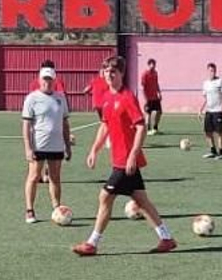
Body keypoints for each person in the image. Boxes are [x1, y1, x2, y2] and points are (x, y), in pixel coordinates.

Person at [73, 56, 177, 256]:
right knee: (141, 200)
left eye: (113, 71)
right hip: (119, 159)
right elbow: (105, 125)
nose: (109, 75)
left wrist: (133, 155)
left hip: (125, 161)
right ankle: (166, 238)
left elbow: (141, 127)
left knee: (105, 196)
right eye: (106, 71)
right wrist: (94, 149)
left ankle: (92, 243)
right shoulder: (106, 97)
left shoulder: (127, 97)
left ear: (121, 73)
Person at [22, 66, 73, 224]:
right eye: (45, 79)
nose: (47, 82)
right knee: (34, 176)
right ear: (39, 80)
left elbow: (65, 123)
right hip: (39, 145)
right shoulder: (32, 98)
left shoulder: (60, 98)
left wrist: (67, 146)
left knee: (55, 177)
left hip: (56, 146)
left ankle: (56, 208)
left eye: (50, 79)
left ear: (54, 81)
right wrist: (28, 147)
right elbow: (26, 125)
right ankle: (30, 210)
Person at [200, 62, 222, 159]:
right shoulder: (205, 83)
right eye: (210, 71)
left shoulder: (221, 82)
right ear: (207, 71)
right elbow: (206, 98)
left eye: (213, 71)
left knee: (219, 132)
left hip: (218, 111)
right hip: (209, 111)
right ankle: (213, 151)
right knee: (207, 132)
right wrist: (201, 109)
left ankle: (221, 153)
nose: (211, 73)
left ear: (215, 71)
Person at [141, 58, 163, 135]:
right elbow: (143, 87)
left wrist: (159, 93)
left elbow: (156, 83)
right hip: (148, 98)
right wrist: (145, 99)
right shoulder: (145, 74)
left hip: (155, 97)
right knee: (148, 113)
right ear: (149, 65)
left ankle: (155, 128)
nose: (153, 66)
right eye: (152, 64)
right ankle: (148, 129)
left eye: (154, 64)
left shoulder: (155, 73)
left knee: (159, 112)